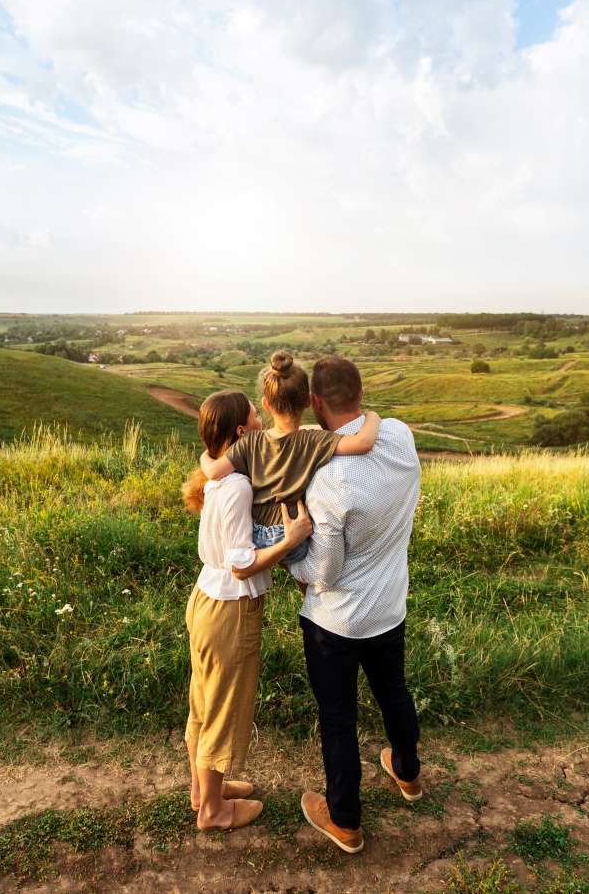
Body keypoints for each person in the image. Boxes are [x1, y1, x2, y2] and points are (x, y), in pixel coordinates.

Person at [286, 355, 424, 855]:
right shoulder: (401, 436)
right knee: (394, 691)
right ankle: (407, 774)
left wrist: (288, 560)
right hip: (389, 605)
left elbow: (323, 571)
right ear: (362, 393)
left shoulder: (328, 481)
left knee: (338, 718)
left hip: (336, 620)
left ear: (316, 403)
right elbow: (380, 423)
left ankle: (345, 820)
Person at [181, 390, 312, 831]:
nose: (263, 422)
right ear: (242, 432)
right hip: (231, 609)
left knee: (203, 699)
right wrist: (290, 541)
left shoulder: (219, 473)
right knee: (222, 708)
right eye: (257, 417)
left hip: (205, 599)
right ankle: (214, 813)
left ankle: (205, 791)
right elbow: (241, 565)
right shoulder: (237, 486)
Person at [198, 351, 381, 565]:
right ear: (307, 401)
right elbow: (363, 443)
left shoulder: (251, 441)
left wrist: (205, 455)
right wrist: (372, 416)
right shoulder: (312, 441)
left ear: (266, 403)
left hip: (256, 535)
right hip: (292, 537)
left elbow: (212, 472)